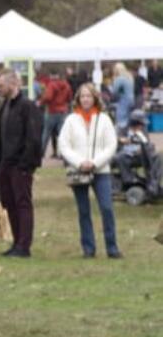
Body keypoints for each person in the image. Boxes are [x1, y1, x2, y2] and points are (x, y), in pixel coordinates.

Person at [58, 82, 121, 259]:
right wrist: (79, 162)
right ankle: (88, 248)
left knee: (107, 208)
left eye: (89, 96)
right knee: (83, 210)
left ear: (95, 98)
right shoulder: (71, 120)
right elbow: (64, 145)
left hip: (101, 171)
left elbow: (111, 145)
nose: (86, 99)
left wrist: (94, 162)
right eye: (83, 96)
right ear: (78, 98)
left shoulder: (104, 119)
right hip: (78, 171)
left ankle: (112, 247)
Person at [0, 69, 42, 258]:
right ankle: (17, 242)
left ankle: (24, 245)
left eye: (1, 85)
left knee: (22, 203)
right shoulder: (6, 105)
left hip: (20, 165)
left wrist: (26, 164)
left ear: (13, 84)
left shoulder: (27, 106)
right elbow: (1, 136)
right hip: (6, 163)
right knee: (10, 203)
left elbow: (33, 137)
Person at [40, 71, 73, 159]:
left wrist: (41, 102)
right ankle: (63, 154)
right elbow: (70, 98)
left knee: (46, 133)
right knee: (62, 134)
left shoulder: (51, 85)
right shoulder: (67, 85)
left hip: (52, 111)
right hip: (63, 112)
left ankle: (40, 152)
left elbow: (48, 97)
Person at [112, 62, 135, 134]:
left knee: (121, 120)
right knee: (128, 120)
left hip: (123, 100)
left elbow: (115, 91)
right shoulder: (129, 77)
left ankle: (119, 137)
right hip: (131, 100)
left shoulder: (119, 78)